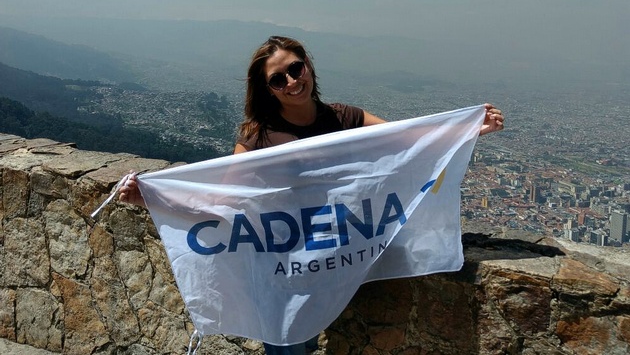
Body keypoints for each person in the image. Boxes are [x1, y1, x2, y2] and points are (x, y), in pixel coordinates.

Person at [119, 35, 504, 354]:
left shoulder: (345, 118)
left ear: (309, 66)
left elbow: (410, 143)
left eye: (295, 68)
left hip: (343, 255)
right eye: (278, 79)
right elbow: (223, 200)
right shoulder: (259, 138)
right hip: (289, 273)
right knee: (289, 346)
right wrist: (152, 197)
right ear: (267, 89)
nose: (291, 81)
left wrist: (468, 130)